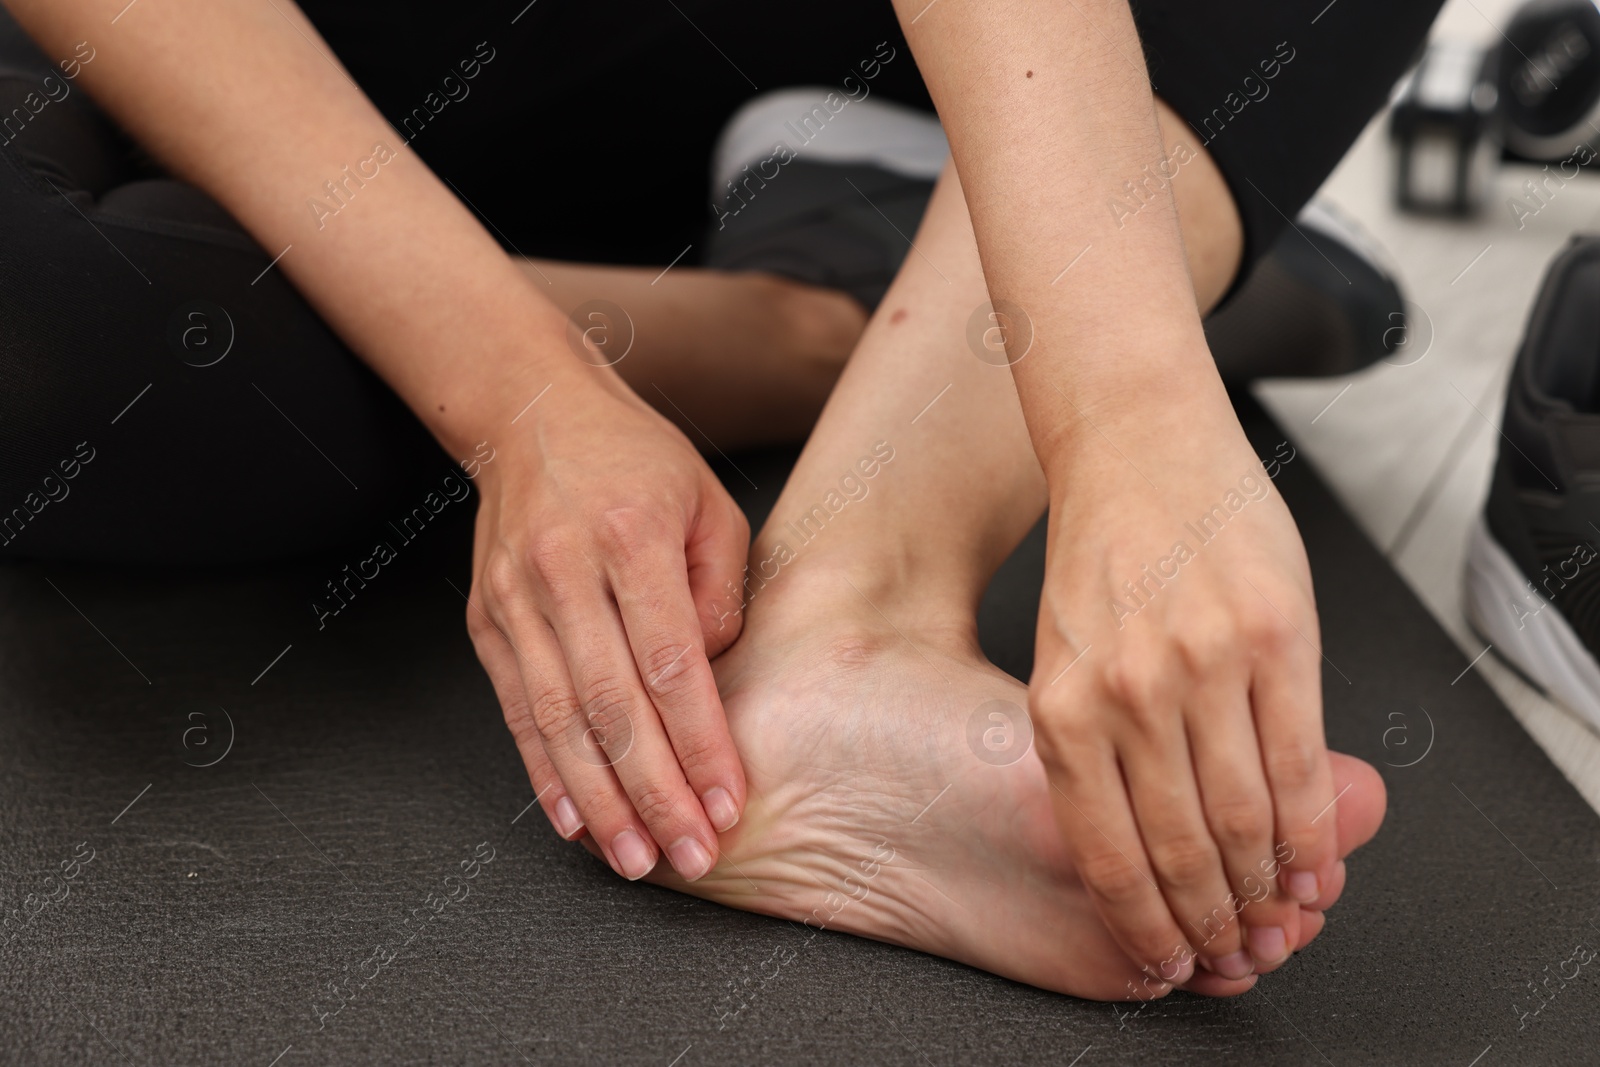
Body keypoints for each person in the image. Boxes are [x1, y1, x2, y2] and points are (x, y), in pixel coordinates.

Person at [0, 0, 1440, 999]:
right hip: (278, 75)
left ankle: (855, 599)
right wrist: (527, 403)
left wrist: (1129, 407)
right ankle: (855, 302)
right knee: (45, 326)